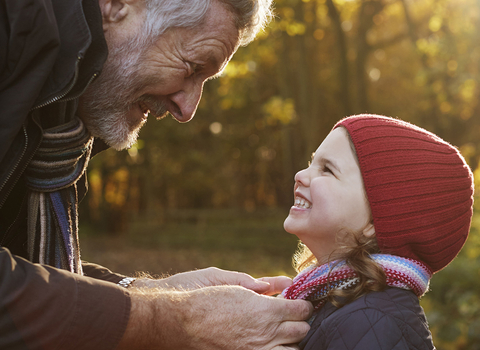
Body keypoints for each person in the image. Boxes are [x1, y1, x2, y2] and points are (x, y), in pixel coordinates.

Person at [0, 0, 313, 348]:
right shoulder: (11, 27)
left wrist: (147, 291)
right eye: (192, 67)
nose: (187, 109)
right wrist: (177, 320)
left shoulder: (61, 127)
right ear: (117, 6)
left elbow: (23, 264)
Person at [281, 114, 474, 349]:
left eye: (327, 169)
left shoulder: (373, 319)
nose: (300, 175)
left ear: (375, 220)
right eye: (312, 162)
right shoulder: (332, 300)